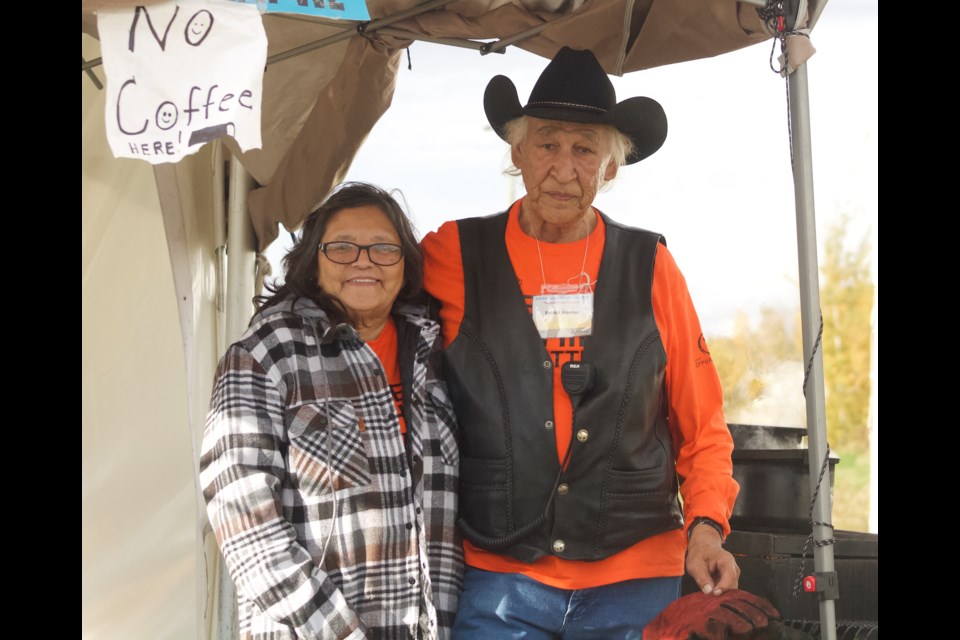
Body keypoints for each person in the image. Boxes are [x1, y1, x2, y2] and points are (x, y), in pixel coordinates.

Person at [420, 47, 740, 637]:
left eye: (585, 148)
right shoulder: (452, 255)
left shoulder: (652, 267)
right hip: (500, 574)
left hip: (635, 580)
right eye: (547, 143)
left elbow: (703, 424)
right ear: (517, 153)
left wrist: (705, 527)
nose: (563, 168)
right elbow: (364, 303)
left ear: (610, 167)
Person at [200, 182, 463, 639]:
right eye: (342, 247)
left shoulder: (436, 355)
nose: (363, 261)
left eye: (383, 248)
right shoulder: (265, 355)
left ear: (406, 263)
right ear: (312, 261)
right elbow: (243, 519)